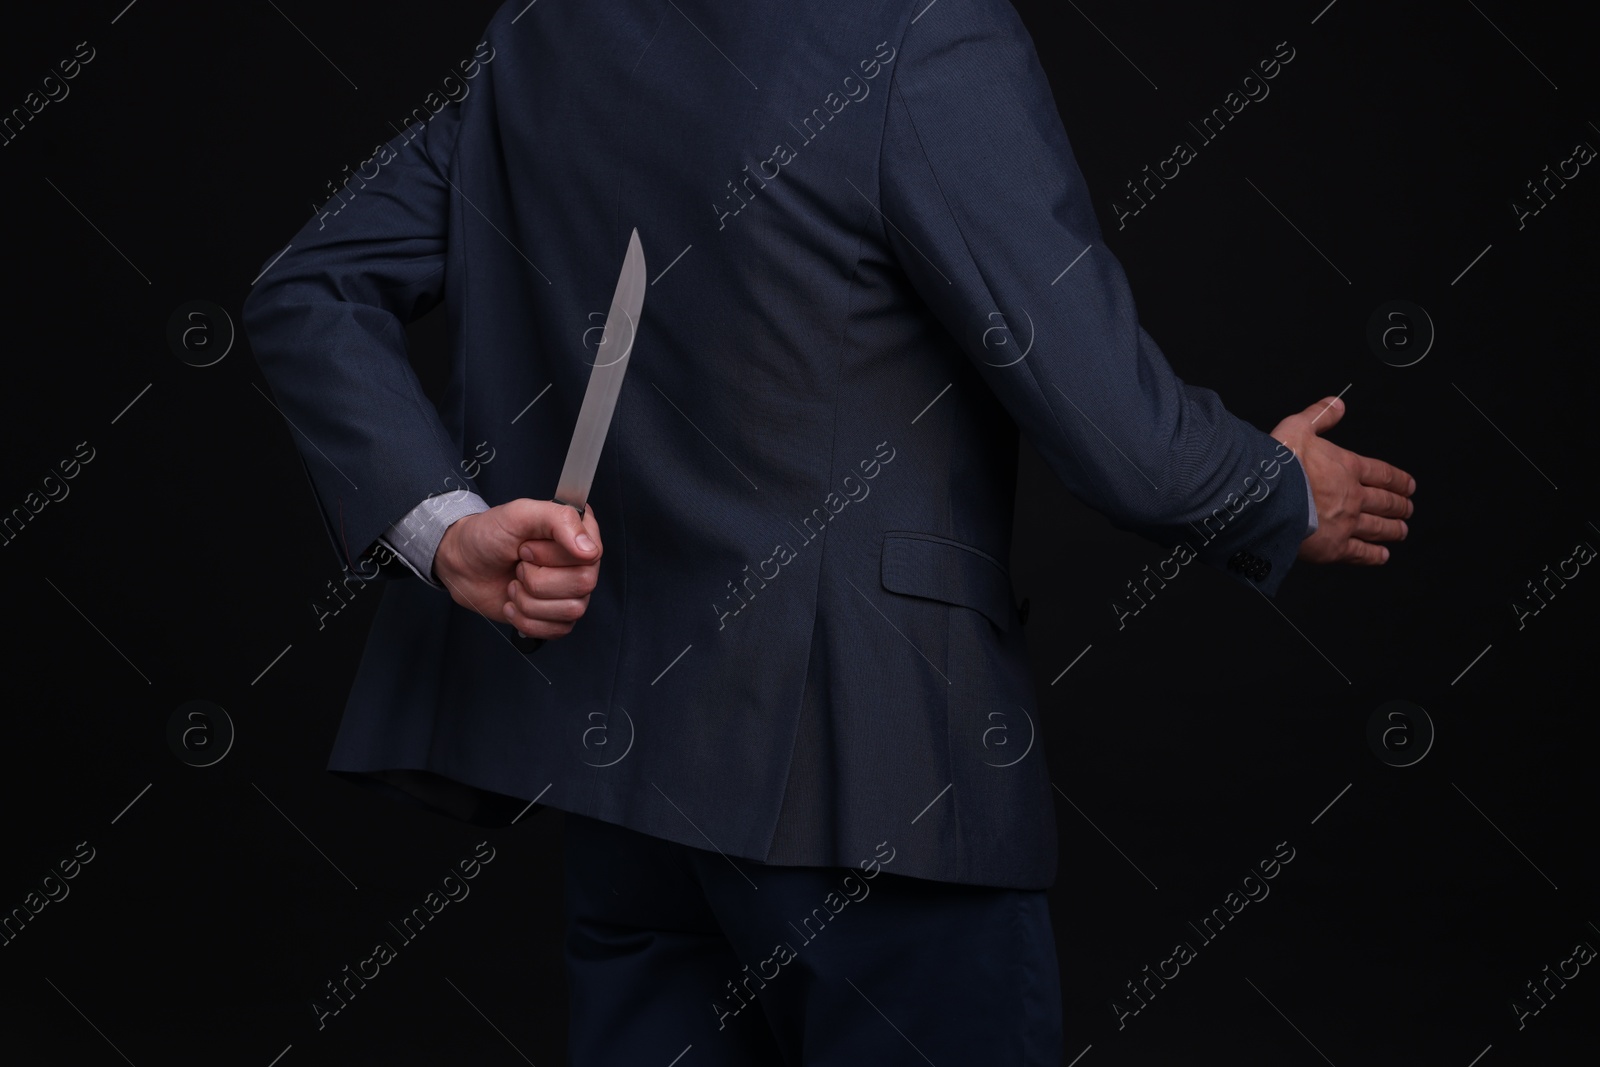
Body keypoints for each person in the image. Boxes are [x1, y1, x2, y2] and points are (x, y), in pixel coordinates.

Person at [242, 1, 1414, 1062]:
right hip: (874, 774)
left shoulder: (551, 33)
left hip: (625, 793)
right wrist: (1276, 487)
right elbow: (1121, 438)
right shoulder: (924, 34)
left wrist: (446, 532)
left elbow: (307, 290)